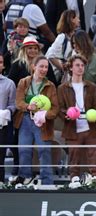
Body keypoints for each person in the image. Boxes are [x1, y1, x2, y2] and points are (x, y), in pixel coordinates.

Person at [14, 55, 59, 185]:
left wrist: (44, 115)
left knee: (44, 151)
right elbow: (18, 102)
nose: (44, 69)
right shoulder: (23, 82)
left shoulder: (50, 86)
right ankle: (25, 178)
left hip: (43, 123)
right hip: (25, 120)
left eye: (46, 67)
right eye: (41, 66)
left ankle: (47, 182)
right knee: (24, 150)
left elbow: (55, 109)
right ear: (34, 67)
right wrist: (28, 106)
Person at [57, 55, 96, 182]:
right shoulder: (62, 88)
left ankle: (95, 179)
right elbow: (59, 108)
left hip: (90, 127)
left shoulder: (91, 86)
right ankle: (74, 179)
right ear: (71, 68)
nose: (80, 68)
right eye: (77, 65)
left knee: (94, 154)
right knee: (74, 154)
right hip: (72, 128)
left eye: (82, 65)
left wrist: (94, 115)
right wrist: (67, 114)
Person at [45, 10, 81, 83]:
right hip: (62, 76)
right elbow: (50, 55)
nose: (79, 20)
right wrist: (63, 68)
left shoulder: (77, 35)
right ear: (71, 19)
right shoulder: (62, 37)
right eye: (77, 18)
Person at [0, 54, 17, 184]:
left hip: (2, 126)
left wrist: (7, 112)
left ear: (3, 66)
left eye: (0, 62)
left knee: (0, 159)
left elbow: (13, 105)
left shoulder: (9, 83)